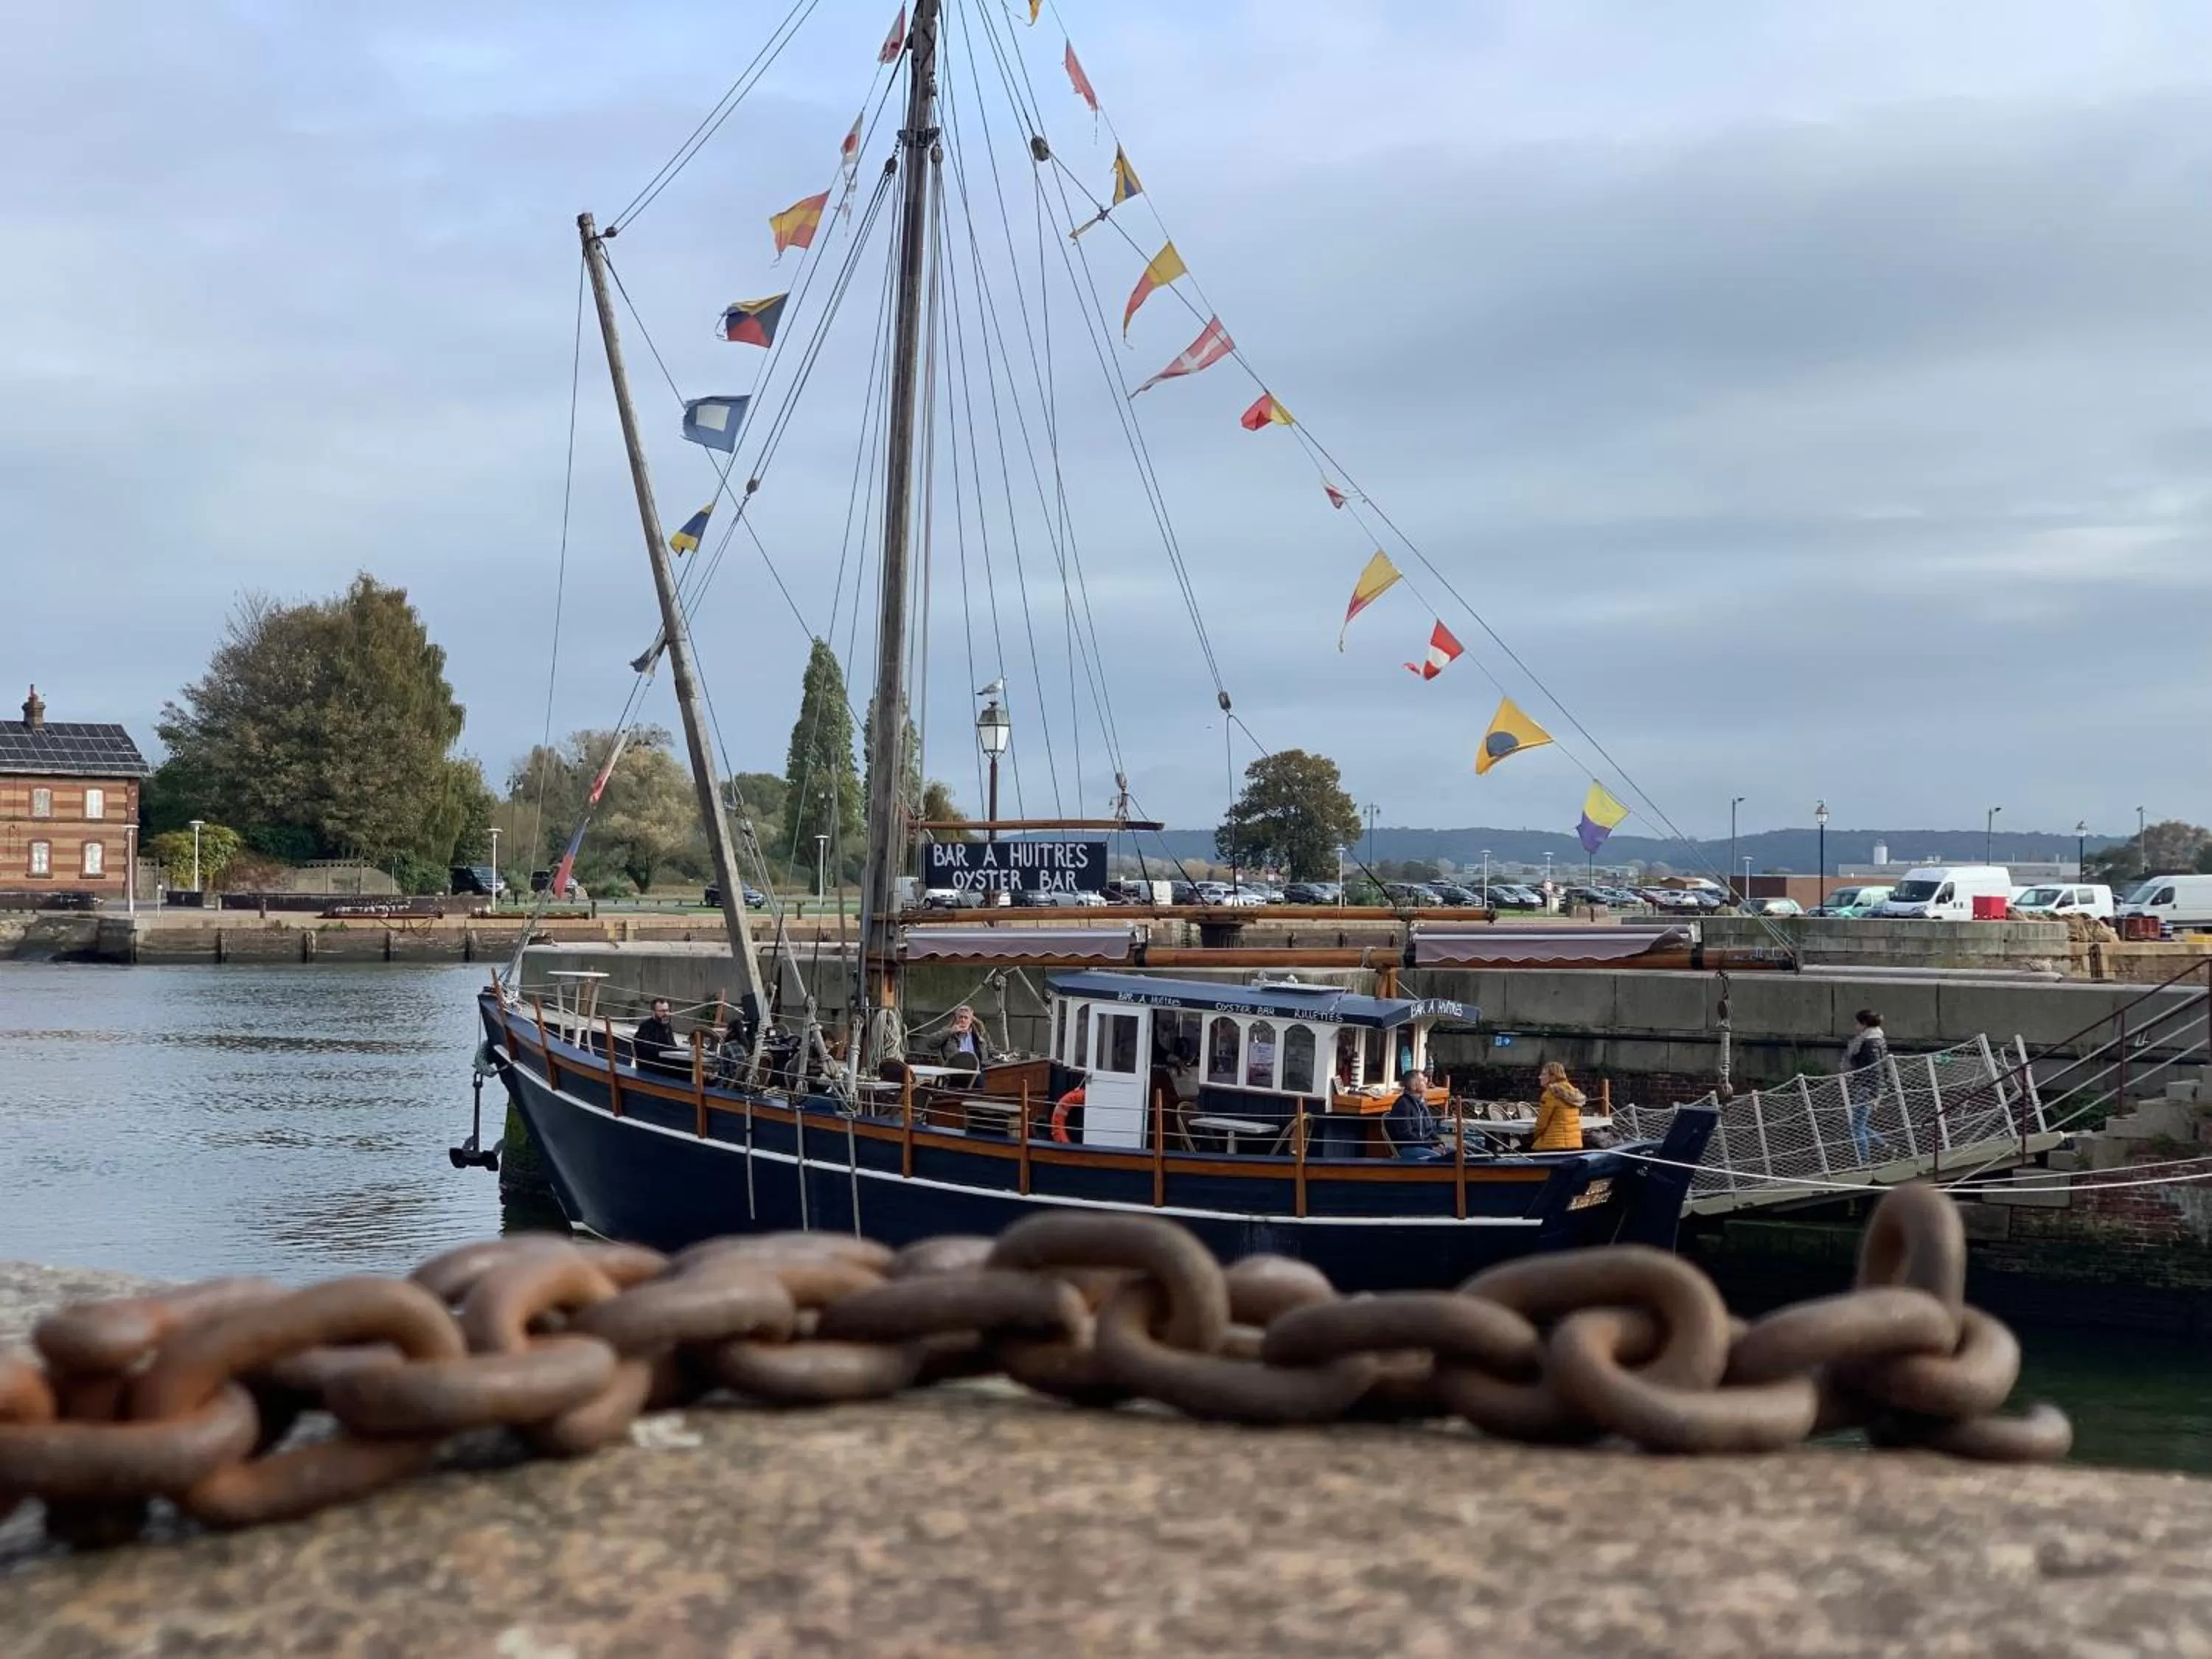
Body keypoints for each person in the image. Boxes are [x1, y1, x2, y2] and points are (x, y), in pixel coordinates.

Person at [1843, 1009, 1893, 1165]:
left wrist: (1875, 1094)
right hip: (1870, 1086)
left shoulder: (1868, 1042)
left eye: (1857, 1023)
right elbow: (1883, 1067)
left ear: (1864, 1024)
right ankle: (1886, 1147)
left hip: (1867, 1087)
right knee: (1859, 1125)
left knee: (1857, 1128)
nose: (1855, 1026)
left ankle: (1866, 1162)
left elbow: (1874, 1069)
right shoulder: (1878, 1039)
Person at [1387, 1068, 1448, 1160]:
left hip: (1425, 1146)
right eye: (1423, 1081)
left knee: (1455, 1154)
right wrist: (1431, 1147)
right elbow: (1406, 1136)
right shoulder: (1403, 1105)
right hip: (1408, 1148)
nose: (1426, 1082)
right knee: (1439, 1158)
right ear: (1413, 1086)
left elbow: (1430, 1130)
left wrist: (1439, 1143)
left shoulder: (1422, 1103)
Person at [1531, 1061, 1586, 1152]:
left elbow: (1541, 1124)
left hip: (1553, 1144)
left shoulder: (1550, 1095)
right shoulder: (1572, 1092)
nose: (1540, 1077)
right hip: (1575, 1144)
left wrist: (1535, 1137)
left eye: (1544, 1074)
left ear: (1553, 1077)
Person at [928, 1004, 993, 1077]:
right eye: (960, 1017)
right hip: (954, 1072)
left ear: (971, 1020)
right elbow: (930, 1043)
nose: (963, 1020)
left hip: (978, 1072)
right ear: (956, 1019)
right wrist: (950, 1031)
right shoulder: (948, 1031)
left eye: (966, 1018)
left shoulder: (981, 1034)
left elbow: (991, 1052)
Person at [633, 998, 679, 1072]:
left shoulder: (667, 1026)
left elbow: (673, 1047)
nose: (666, 1014)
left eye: (667, 1010)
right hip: (654, 1068)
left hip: (667, 1063)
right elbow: (645, 1052)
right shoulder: (646, 1027)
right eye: (662, 1011)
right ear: (653, 1012)